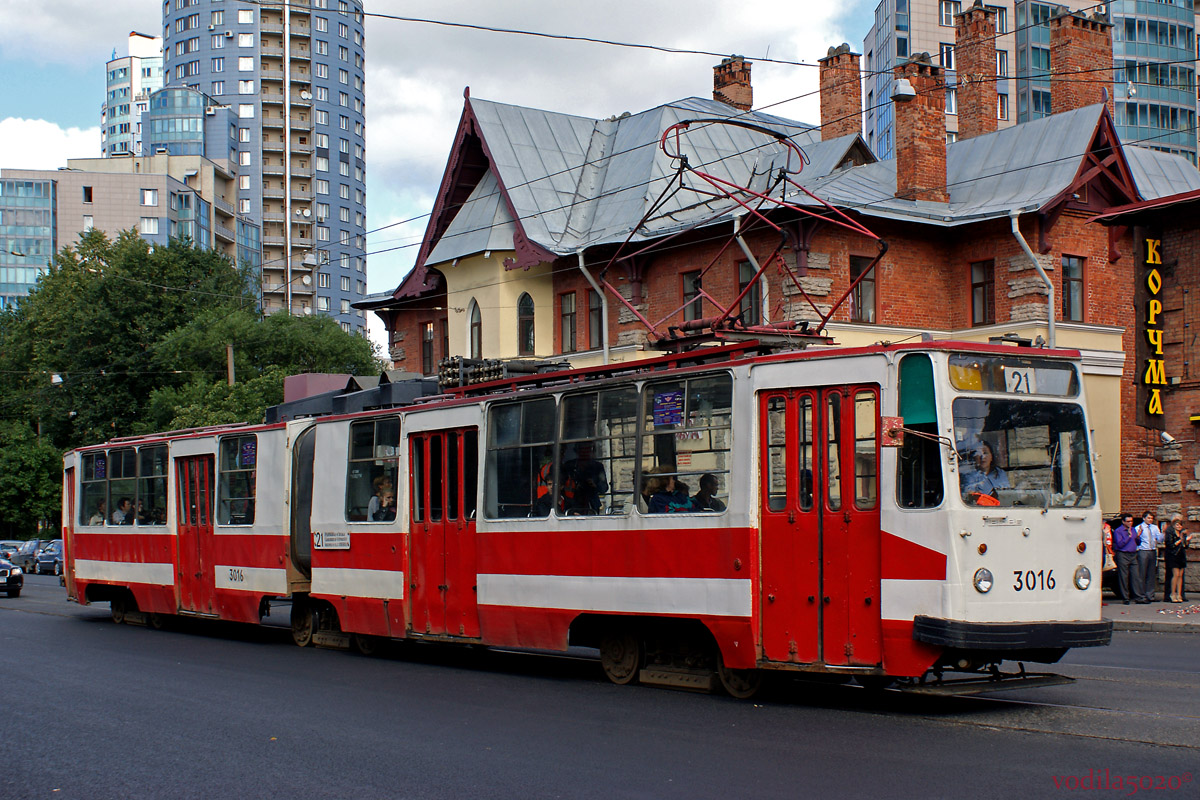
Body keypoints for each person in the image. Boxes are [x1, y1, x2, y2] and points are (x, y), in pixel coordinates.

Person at [559, 441, 609, 514]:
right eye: (582, 450)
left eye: (587, 450)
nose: (585, 453)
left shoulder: (597, 467)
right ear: (577, 451)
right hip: (572, 504)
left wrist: (594, 485)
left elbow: (604, 488)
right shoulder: (569, 466)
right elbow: (561, 486)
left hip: (591, 504)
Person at [1135, 510, 1163, 604]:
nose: (1150, 520)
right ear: (1144, 518)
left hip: (1152, 550)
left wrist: (1163, 534)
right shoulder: (1139, 527)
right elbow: (1136, 540)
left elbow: (1159, 539)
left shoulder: (1154, 527)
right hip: (1143, 550)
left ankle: (1150, 595)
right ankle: (1141, 595)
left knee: (1151, 573)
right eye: (1148, 518)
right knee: (1142, 573)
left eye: (1151, 518)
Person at [1112, 513, 1139, 605]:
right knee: (1124, 576)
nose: (1130, 523)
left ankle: (1137, 596)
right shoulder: (1118, 531)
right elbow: (1119, 544)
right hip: (1123, 554)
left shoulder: (1133, 529)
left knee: (1135, 575)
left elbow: (1137, 541)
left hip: (1133, 554)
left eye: (1131, 521)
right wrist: (1128, 536)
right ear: (1123, 522)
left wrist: (1137, 537)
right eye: (1128, 521)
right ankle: (1125, 597)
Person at [1165, 515, 1190, 603]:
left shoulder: (1183, 534)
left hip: (1181, 556)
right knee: (1175, 574)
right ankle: (1173, 593)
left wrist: (1186, 540)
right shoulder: (1171, 533)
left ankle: (1179, 594)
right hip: (1173, 556)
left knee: (1180, 575)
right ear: (1174, 526)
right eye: (1177, 525)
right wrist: (1180, 539)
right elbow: (1171, 545)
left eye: (1180, 525)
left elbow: (1185, 546)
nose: (1179, 527)